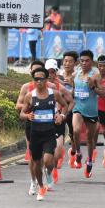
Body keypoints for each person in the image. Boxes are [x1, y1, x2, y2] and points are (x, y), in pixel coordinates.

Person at [21, 67, 68, 201]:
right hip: (35, 133)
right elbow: (21, 113)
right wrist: (27, 115)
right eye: (36, 79)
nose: (38, 81)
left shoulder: (54, 94)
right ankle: (41, 186)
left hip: (49, 133)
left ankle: (49, 172)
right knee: (36, 163)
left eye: (41, 78)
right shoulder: (30, 96)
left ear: (46, 79)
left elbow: (65, 105)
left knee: (47, 160)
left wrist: (61, 116)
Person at [70, 50, 105, 178]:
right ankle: (79, 153)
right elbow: (74, 91)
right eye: (82, 61)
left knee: (90, 139)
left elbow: (104, 93)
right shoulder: (76, 74)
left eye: (87, 61)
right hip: (78, 108)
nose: (84, 63)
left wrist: (93, 87)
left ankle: (89, 160)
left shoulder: (95, 75)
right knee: (76, 131)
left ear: (92, 61)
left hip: (91, 111)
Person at [15, 60, 45, 196]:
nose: (37, 75)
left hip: (47, 123)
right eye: (35, 72)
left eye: (40, 71)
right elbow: (18, 106)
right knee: (33, 155)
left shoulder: (50, 88)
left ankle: (41, 177)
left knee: (45, 154)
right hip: (31, 123)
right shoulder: (26, 87)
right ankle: (33, 181)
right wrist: (30, 106)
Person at [45, 59, 74, 187]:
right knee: (44, 155)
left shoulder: (60, 87)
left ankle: (51, 171)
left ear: (56, 73)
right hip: (43, 122)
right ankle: (44, 175)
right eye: (48, 72)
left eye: (53, 72)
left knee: (56, 153)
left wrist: (63, 115)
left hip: (57, 123)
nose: (50, 75)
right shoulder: (38, 86)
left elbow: (71, 101)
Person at [60, 51, 78, 155]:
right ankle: (59, 152)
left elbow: (80, 92)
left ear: (75, 63)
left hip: (73, 106)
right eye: (65, 61)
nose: (67, 64)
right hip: (60, 106)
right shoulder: (58, 75)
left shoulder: (77, 77)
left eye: (70, 62)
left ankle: (74, 150)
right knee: (59, 132)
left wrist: (73, 85)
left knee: (73, 132)